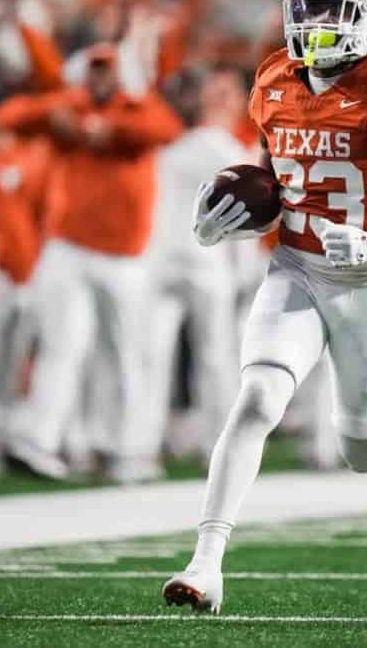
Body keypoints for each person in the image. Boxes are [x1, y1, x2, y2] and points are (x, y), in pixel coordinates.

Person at [162, 0, 367, 613]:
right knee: (256, 398)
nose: (316, 23)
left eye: (334, 11)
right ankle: (205, 562)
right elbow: (279, 181)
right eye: (309, 8)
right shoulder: (274, 76)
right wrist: (227, 222)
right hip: (296, 268)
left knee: (362, 450)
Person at [0, 44, 182, 483]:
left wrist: (101, 125)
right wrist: (65, 111)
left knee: (129, 353)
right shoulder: (69, 105)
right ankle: (39, 440)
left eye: (106, 71)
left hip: (125, 255)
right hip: (69, 246)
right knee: (62, 345)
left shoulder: (137, 107)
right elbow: (9, 117)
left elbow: (166, 130)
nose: (99, 79)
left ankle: (130, 448)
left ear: (120, 75)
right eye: (93, 71)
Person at [146, 66, 250, 462]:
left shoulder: (221, 146)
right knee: (158, 356)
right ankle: (143, 445)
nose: (219, 98)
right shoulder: (193, 144)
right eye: (215, 90)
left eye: (227, 91)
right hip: (174, 261)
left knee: (214, 357)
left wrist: (243, 269)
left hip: (207, 264)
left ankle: (216, 443)